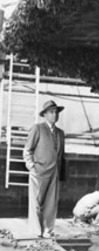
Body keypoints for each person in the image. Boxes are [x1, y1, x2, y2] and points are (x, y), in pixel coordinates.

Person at [23, 100, 66, 238]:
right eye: (52, 112)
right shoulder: (37, 128)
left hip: (54, 172)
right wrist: (31, 167)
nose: (55, 115)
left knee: (51, 203)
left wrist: (62, 174)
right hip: (39, 171)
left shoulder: (60, 133)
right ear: (45, 114)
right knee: (36, 202)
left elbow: (61, 155)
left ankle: (48, 230)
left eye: (56, 112)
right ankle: (36, 232)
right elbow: (27, 150)